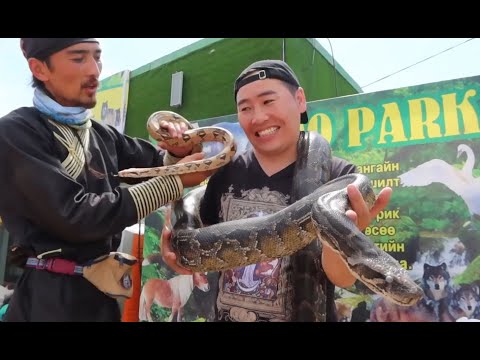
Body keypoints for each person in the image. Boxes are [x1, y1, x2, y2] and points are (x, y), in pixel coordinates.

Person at [161, 59, 392, 322]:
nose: (258, 117)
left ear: (300, 100)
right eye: (245, 107)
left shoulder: (338, 178)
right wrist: (178, 247)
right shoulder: (225, 173)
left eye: (268, 101)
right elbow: (198, 244)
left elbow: (340, 277)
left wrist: (343, 241)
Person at [0, 38, 211, 322]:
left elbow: (155, 166)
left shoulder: (102, 135)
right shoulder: (17, 133)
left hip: (103, 298)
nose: (95, 70)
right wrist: (175, 180)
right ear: (39, 68)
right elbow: (75, 216)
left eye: (97, 57)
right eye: (78, 58)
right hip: (49, 301)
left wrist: (178, 151)